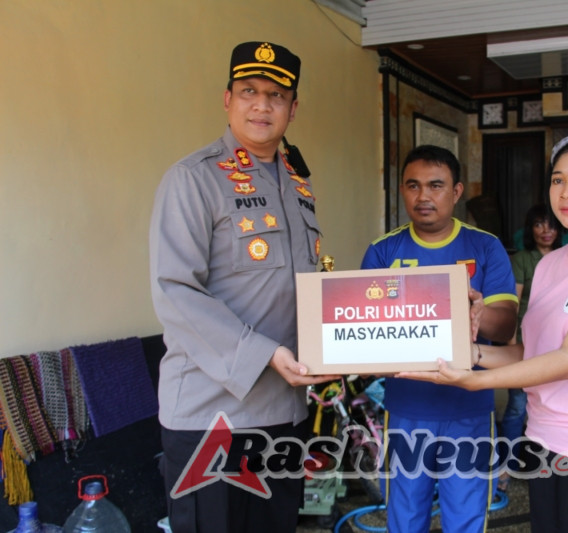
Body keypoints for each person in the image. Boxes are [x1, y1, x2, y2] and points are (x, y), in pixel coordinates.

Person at [401, 134, 568, 533]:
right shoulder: (551, 264)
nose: (566, 192)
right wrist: (468, 352)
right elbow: (533, 351)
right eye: (557, 181)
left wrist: (475, 381)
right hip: (546, 437)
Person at [149, 41, 336, 533]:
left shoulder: (297, 183)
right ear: (227, 99)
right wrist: (265, 354)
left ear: (292, 109)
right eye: (249, 91)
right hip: (213, 415)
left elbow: (303, 287)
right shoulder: (193, 179)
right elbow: (175, 291)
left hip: (285, 410)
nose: (262, 105)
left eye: (276, 95)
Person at [360, 145, 518, 533]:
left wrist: (475, 315)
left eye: (436, 185)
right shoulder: (383, 252)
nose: (424, 196)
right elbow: (364, 331)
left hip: (470, 404)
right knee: (405, 514)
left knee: (464, 516)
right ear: (402, 190)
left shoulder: (485, 247)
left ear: (457, 191)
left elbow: (505, 326)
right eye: (413, 186)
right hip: (406, 406)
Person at [497, 203, 560, 492]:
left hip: (558, 346)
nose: (545, 230)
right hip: (525, 343)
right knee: (517, 408)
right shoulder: (522, 259)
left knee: (552, 408)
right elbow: (513, 303)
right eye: (538, 224)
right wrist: (511, 345)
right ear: (529, 229)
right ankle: (507, 466)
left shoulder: (567, 258)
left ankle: (544, 465)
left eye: (550, 224)